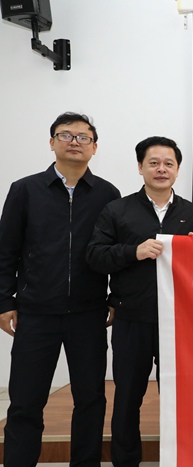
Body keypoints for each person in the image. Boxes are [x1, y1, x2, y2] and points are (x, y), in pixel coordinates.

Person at [0, 112, 121, 466]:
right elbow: (6, 250)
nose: (74, 142)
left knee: (91, 400)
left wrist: (114, 298)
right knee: (25, 401)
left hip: (88, 313)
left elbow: (115, 252)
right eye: (66, 135)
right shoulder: (25, 190)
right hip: (36, 313)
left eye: (83, 137)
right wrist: (4, 300)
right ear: (52, 142)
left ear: (94, 147)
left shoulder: (107, 194)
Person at [86, 136, 193, 466]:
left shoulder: (192, 214)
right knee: (128, 397)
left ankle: (182, 459)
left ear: (178, 169)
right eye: (153, 163)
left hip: (180, 324)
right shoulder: (118, 210)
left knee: (181, 398)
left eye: (169, 163)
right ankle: (126, 461)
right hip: (132, 318)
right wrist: (134, 251)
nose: (161, 169)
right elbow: (95, 256)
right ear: (140, 167)